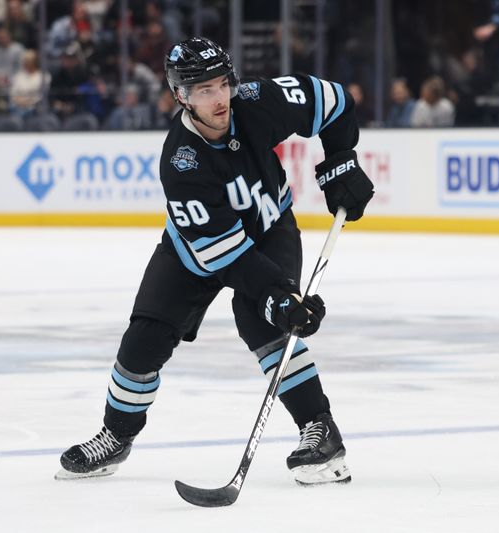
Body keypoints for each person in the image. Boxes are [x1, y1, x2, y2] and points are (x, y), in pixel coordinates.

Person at [56, 37, 374, 486]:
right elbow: (226, 257)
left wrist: (340, 160)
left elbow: (335, 100)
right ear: (181, 96)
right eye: (204, 89)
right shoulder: (181, 162)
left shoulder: (260, 102)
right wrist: (278, 296)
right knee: (143, 341)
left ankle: (320, 432)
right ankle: (116, 434)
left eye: (222, 83)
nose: (219, 97)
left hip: (269, 231)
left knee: (263, 324)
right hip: (194, 252)